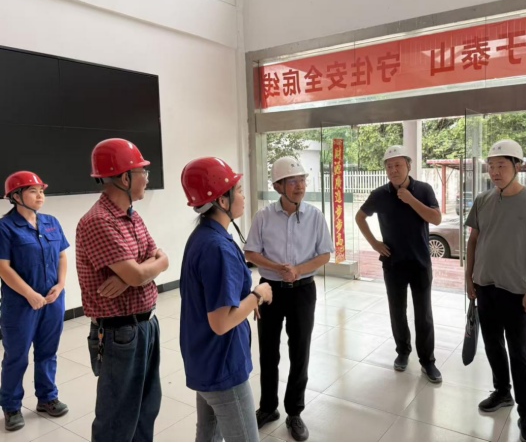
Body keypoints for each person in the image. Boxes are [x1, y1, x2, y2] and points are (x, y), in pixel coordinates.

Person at [76, 138, 169, 441]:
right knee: (117, 419)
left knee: (146, 407)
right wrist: (138, 273)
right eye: (143, 172)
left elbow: (161, 258)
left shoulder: (131, 215)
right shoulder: (98, 221)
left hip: (146, 324)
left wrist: (135, 275)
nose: (147, 179)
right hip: (120, 333)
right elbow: (144, 269)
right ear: (125, 178)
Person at [179, 157, 273, 442]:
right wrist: (257, 295)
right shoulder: (216, 247)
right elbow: (221, 323)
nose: (243, 196)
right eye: (239, 190)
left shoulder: (204, 236)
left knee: (207, 435)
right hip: (222, 363)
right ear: (222, 201)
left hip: (204, 357)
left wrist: (245, 299)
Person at [465, 139, 526, 443]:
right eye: (491, 166)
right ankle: (502, 392)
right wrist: (468, 278)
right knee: (492, 344)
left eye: (501, 165)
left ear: (517, 167)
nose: (495, 172)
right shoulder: (482, 200)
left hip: (515, 291)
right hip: (485, 287)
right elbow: (473, 240)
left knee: (519, 354)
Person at [245, 156, 333, 442]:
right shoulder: (263, 217)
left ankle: (294, 411)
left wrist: (298, 270)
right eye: (293, 181)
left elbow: (324, 254)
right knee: (268, 351)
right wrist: (276, 266)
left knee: (300, 351)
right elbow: (251, 252)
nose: (300, 186)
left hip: (303, 291)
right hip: (269, 290)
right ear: (278, 186)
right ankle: (268, 407)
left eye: (302, 180)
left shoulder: (315, 216)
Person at [355, 145, 443, 382]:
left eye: (398, 165)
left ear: (409, 166)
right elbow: (360, 217)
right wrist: (374, 243)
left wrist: (411, 200)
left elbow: (436, 218)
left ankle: (428, 361)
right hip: (393, 263)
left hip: (420, 262)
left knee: (423, 314)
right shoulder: (379, 194)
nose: (393, 170)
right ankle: (403, 351)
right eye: (389, 166)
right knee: (397, 311)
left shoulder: (423, 189)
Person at [0, 171, 69, 431]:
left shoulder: (51, 222)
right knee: (17, 356)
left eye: (41, 191)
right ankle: (11, 406)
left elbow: (62, 256)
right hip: (20, 305)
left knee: (48, 352)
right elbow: (3, 267)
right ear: (16, 196)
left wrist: (60, 285)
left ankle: (47, 398)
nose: (40, 195)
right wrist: (30, 294)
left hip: (52, 300)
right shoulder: (5, 227)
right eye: (33, 191)